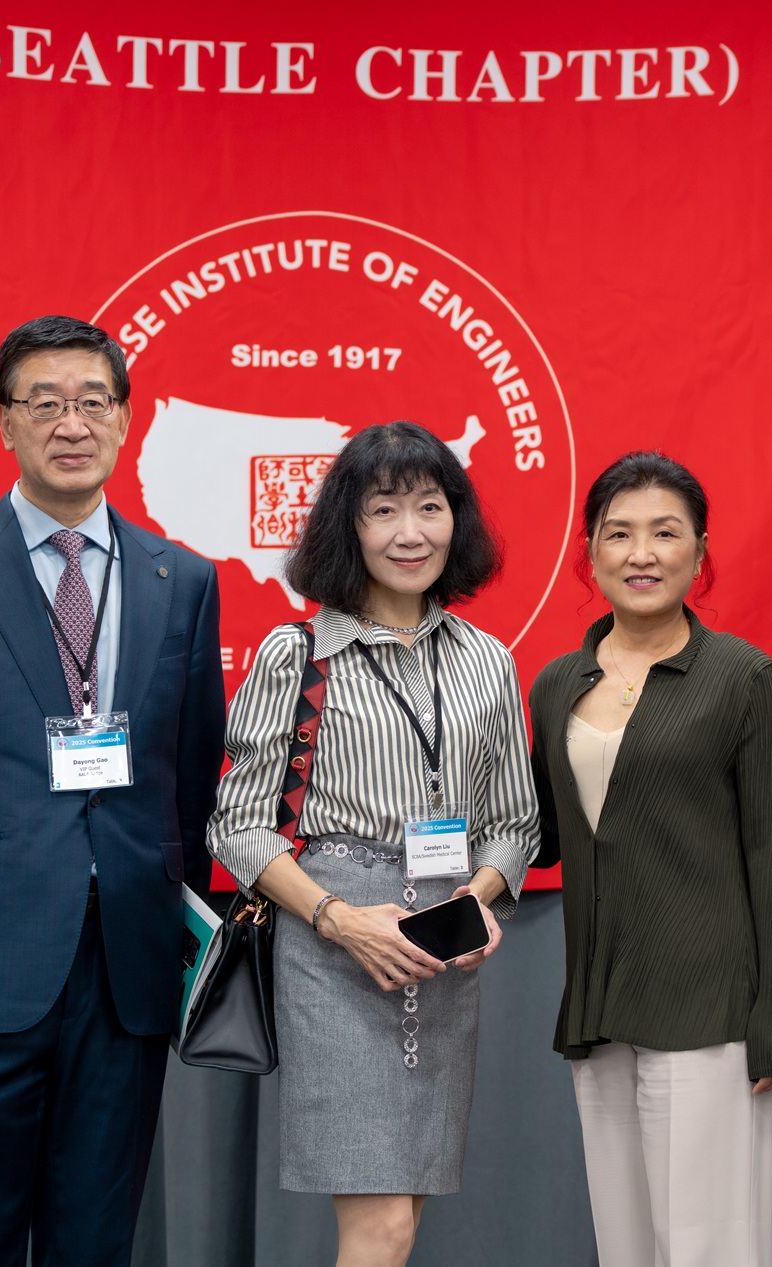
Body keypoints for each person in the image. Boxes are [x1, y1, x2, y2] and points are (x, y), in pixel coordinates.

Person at [0, 315, 226, 1265]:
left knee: (95, 1243)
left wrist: (184, 944)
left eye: (93, 402)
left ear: (126, 420)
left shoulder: (183, 579)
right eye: (46, 403)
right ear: (4, 423)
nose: (72, 423)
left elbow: (190, 786)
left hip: (127, 974)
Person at [208, 420, 538, 1267]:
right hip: (336, 953)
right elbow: (236, 823)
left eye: (429, 507)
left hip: (445, 950)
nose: (409, 532)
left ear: (456, 520)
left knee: (405, 1214)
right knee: (382, 1221)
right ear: (346, 527)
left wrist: (478, 901)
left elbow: (514, 824)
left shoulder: (488, 661)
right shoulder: (295, 655)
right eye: (383, 509)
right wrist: (342, 920)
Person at [528, 452, 772, 1267]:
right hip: (599, 1005)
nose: (641, 553)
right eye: (619, 533)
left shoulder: (742, 677)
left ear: (700, 550)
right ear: (590, 550)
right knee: (626, 1246)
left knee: (706, 1247)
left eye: (665, 533)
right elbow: (540, 835)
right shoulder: (555, 683)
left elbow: (769, 851)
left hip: (708, 1010)